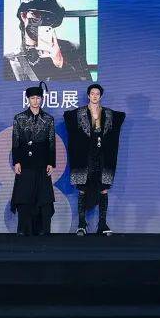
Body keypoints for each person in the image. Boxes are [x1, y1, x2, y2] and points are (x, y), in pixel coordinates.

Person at [64, 83, 125, 235]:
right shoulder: (79, 113)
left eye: (97, 93)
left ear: (101, 96)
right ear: (88, 95)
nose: (95, 96)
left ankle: (102, 224)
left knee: (103, 188)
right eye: (92, 93)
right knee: (82, 189)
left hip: (103, 156)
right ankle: (81, 224)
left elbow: (120, 117)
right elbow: (68, 117)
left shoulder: (108, 114)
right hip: (85, 156)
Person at [4, 0, 91, 81]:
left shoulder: (71, 49)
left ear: (54, 21)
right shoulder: (10, 59)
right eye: (36, 14)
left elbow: (87, 86)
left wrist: (61, 64)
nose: (42, 21)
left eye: (48, 17)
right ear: (24, 15)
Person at [10, 84, 56, 235]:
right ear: (28, 100)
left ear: (41, 99)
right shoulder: (19, 118)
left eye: (38, 98)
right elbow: (15, 141)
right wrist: (16, 161)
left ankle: (43, 229)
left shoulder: (48, 119)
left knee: (43, 196)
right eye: (32, 98)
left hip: (42, 161)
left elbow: (51, 142)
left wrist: (51, 162)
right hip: (25, 162)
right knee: (24, 195)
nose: (35, 101)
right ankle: (24, 229)